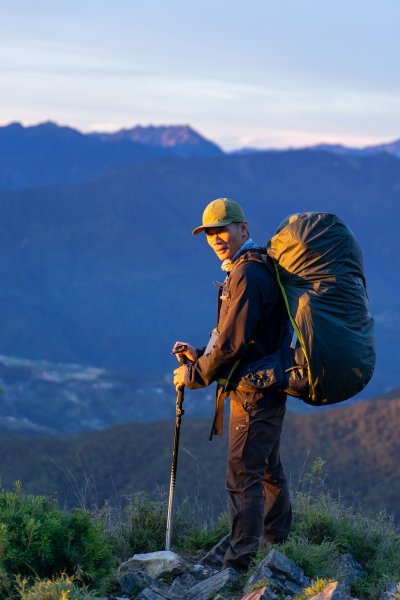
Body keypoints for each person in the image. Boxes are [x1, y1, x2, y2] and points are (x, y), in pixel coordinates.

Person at [173, 198, 292, 573]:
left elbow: (231, 345)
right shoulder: (250, 268)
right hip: (263, 387)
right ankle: (277, 546)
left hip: (254, 393)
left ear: (243, 227)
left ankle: (239, 566)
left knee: (242, 477)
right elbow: (234, 337)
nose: (216, 238)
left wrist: (193, 375)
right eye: (209, 233)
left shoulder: (246, 273)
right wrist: (199, 351)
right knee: (266, 470)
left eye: (222, 229)